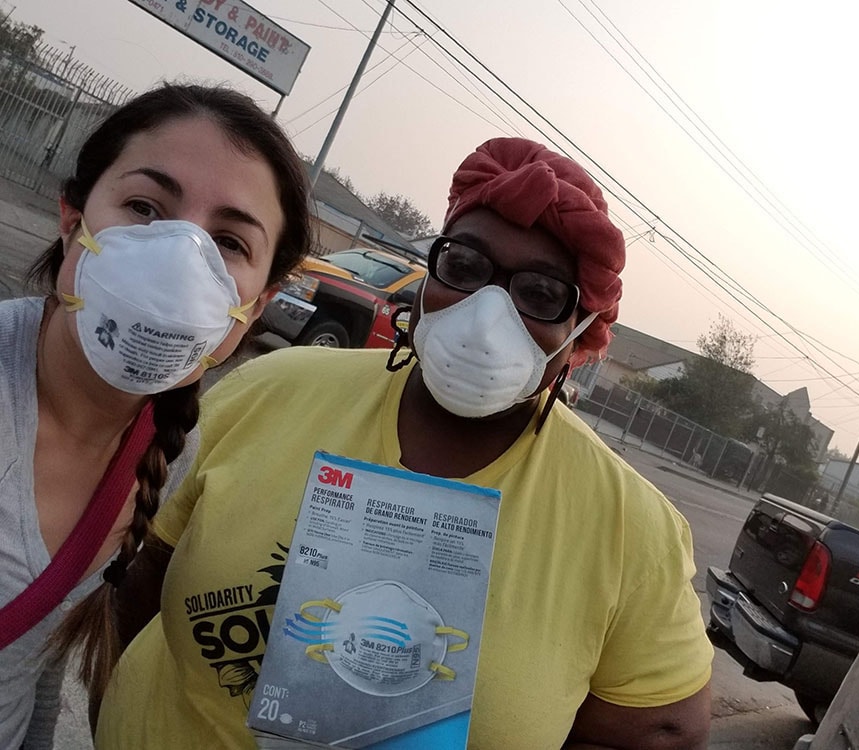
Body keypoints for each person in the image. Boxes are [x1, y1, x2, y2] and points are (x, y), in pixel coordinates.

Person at [97, 137, 714, 749]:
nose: (485, 315)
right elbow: (134, 581)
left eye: (541, 295)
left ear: (580, 334)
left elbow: (662, 731)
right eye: (464, 267)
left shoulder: (630, 528)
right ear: (427, 277)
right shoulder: (270, 389)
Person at [0, 82, 311, 749]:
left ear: (255, 306)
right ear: (72, 219)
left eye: (228, 242)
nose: (178, 258)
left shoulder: (167, 453)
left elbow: (35, 664)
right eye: (144, 207)